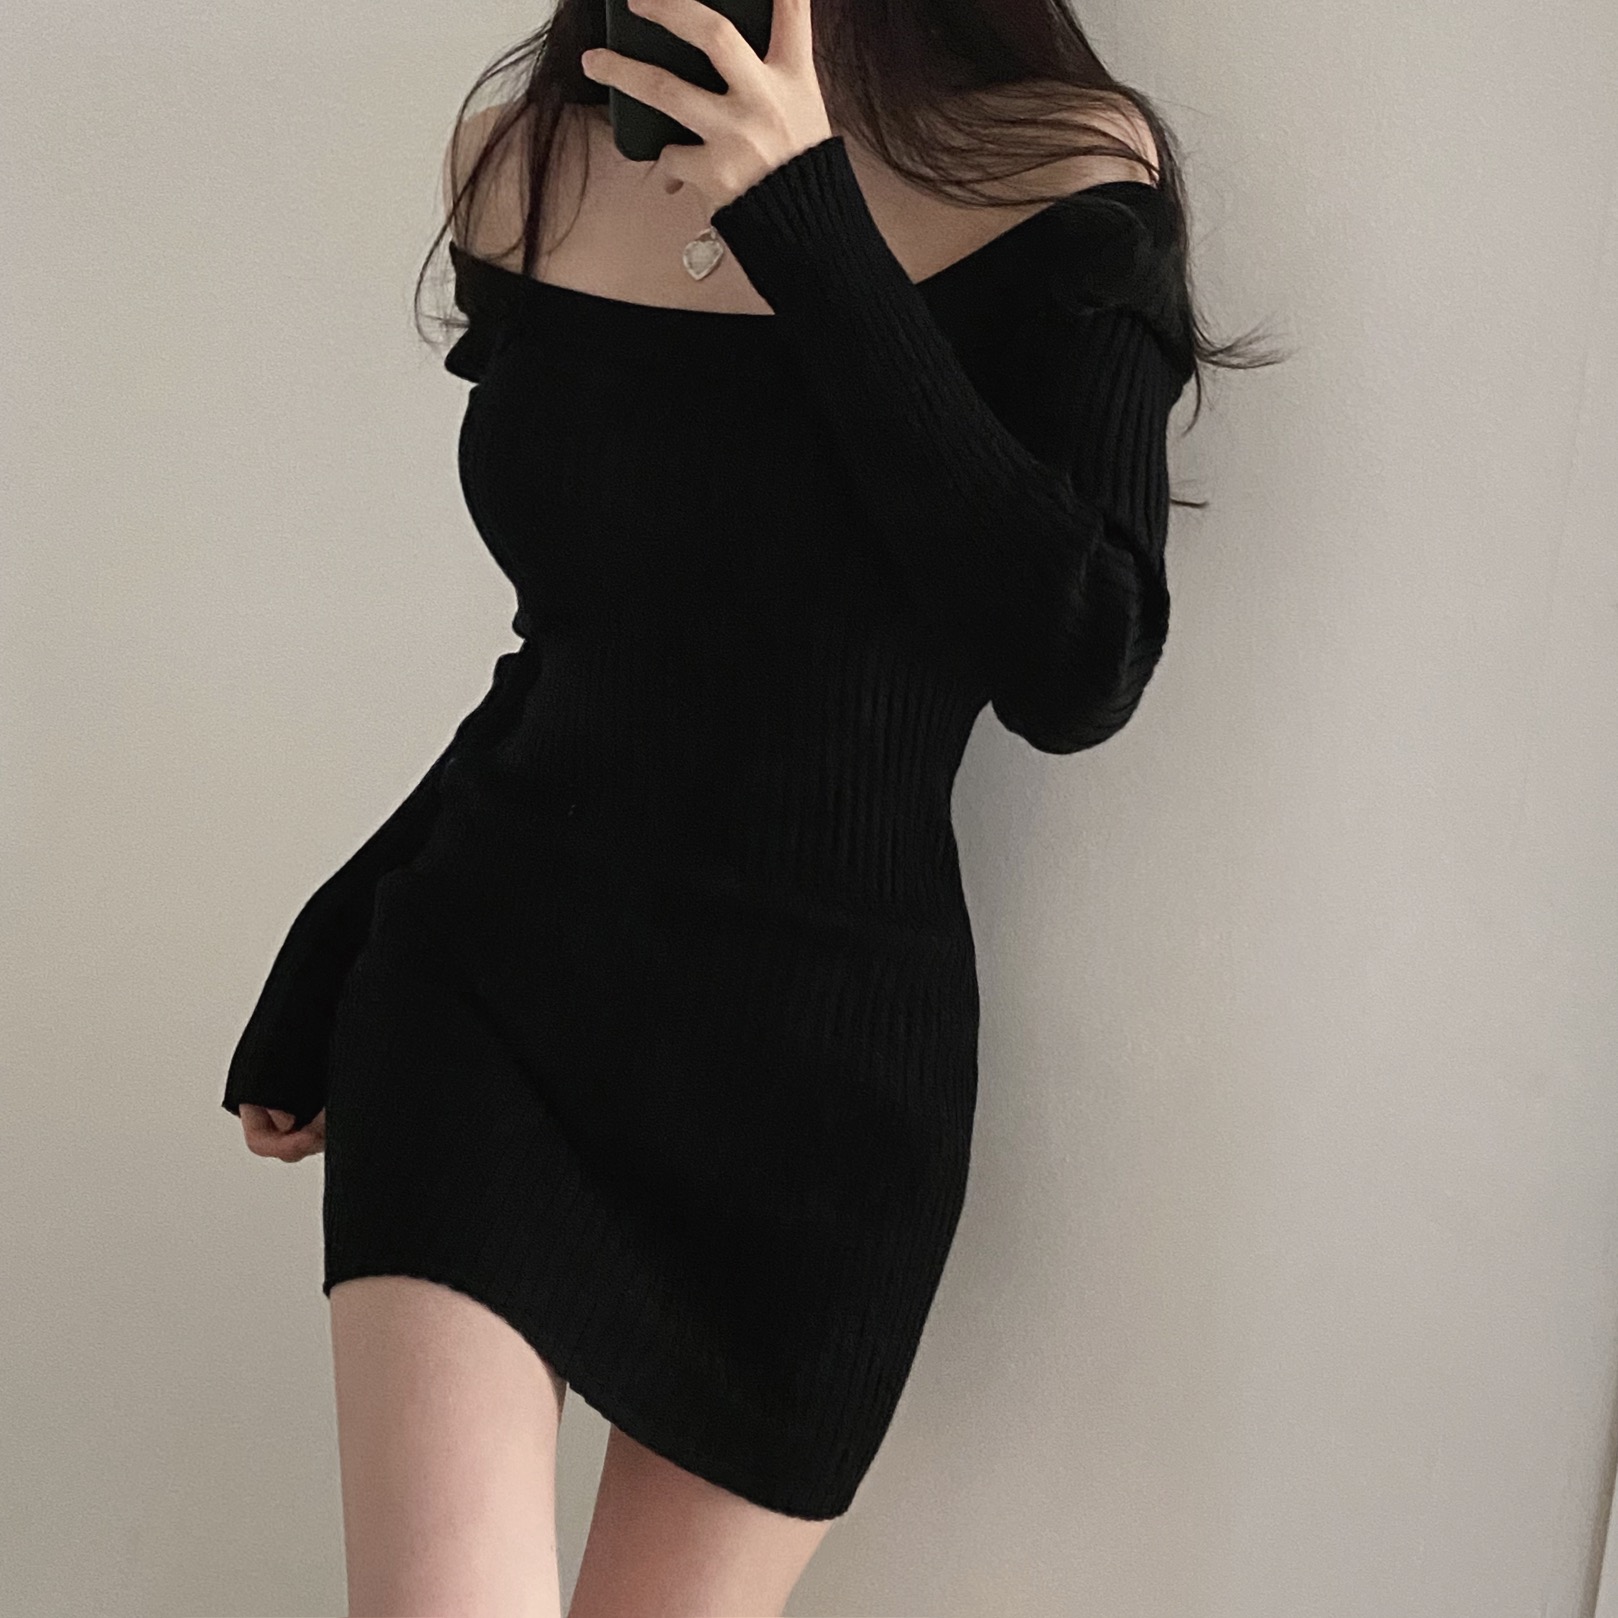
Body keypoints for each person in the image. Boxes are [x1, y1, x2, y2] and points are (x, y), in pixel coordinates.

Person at [222, 0, 1263, 1611]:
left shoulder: (1054, 167)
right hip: (489, 1003)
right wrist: (347, 925)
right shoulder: (524, 165)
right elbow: (578, 653)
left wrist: (804, 220)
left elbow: (1077, 662)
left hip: (820, 1078)